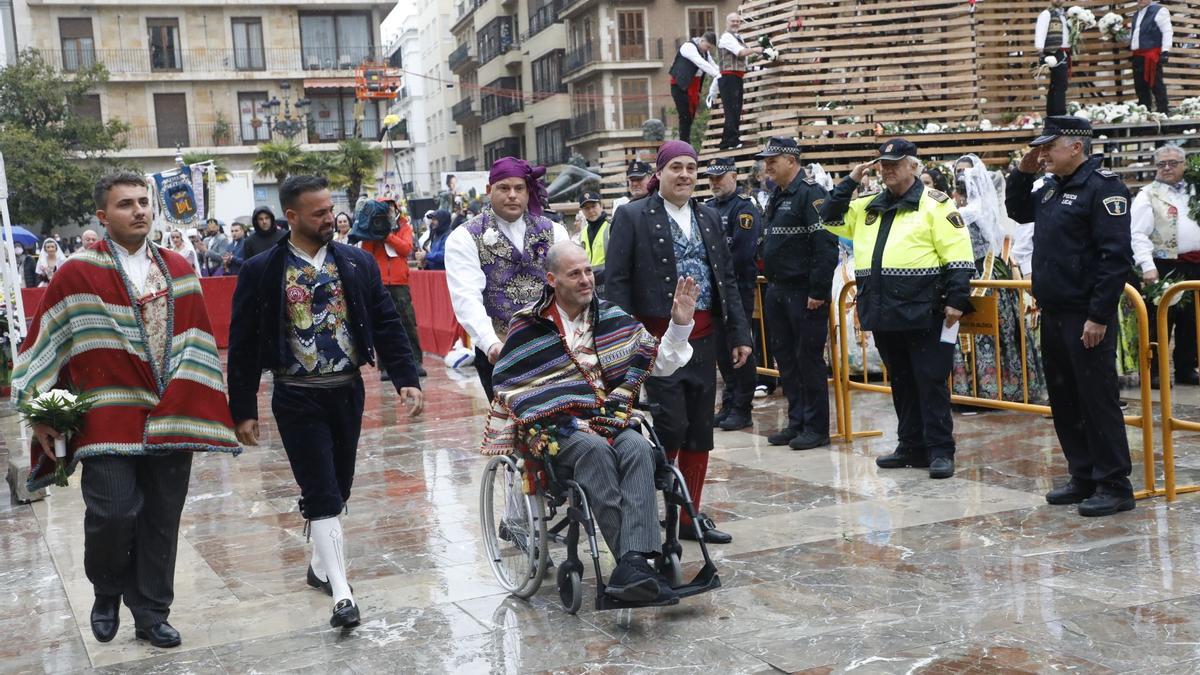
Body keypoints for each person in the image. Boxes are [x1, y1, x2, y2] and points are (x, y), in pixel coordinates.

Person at [12, 171, 239, 649]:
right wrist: (40, 406)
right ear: (102, 216)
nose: (139, 210)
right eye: (125, 204)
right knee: (113, 513)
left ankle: (152, 613)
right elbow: (45, 339)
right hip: (107, 418)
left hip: (173, 414)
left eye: (143, 202)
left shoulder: (179, 267)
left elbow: (198, 343)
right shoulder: (77, 271)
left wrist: (208, 404)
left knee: (162, 519)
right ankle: (107, 587)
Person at [228, 175, 424, 629]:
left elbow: (386, 320)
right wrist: (242, 408)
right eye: (317, 213)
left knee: (341, 486)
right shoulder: (262, 270)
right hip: (295, 397)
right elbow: (241, 342)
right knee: (321, 491)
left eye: (330, 209)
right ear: (291, 217)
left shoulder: (356, 263)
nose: (329, 219)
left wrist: (405, 377)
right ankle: (342, 593)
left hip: (347, 390)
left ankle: (319, 566)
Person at [484, 242, 699, 604]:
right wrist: (562, 418)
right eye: (575, 274)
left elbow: (656, 363)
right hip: (557, 430)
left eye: (588, 271)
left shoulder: (611, 316)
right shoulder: (529, 324)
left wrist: (680, 325)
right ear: (552, 280)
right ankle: (636, 565)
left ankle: (633, 563)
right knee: (595, 450)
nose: (586, 280)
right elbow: (511, 386)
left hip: (610, 419)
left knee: (637, 449)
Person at [606, 140, 753, 544]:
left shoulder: (707, 217)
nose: (685, 175)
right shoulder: (632, 215)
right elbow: (616, 283)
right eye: (676, 168)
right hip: (656, 341)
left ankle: (689, 517)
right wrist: (620, 342)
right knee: (672, 425)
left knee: (700, 430)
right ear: (660, 173)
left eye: (691, 167)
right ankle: (657, 503)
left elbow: (726, 279)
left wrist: (740, 333)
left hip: (704, 337)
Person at [821, 138, 975, 480]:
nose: (888, 170)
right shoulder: (867, 206)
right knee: (902, 382)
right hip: (885, 311)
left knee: (930, 381)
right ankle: (910, 445)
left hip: (926, 311)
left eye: (896, 164)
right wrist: (849, 182)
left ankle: (939, 450)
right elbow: (829, 218)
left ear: (913, 166)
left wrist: (956, 301)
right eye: (884, 164)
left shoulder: (936, 205)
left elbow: (960, 256)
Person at [1006, 115, 1135, 517]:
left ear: (1076, 147)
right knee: (1065, 398)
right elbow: (1017, 211)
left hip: (1086, 314)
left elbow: (1115, 259)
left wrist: (1098, 315)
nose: (1042, 154)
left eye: (1049, 147)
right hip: (1055, 310)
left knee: (1097, 399)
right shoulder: (1048, 190)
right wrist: (1022, 172)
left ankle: (1114, 483)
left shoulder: (1103, 188)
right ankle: (1083, 475)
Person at [445, 158, 570, 401]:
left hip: (554, 346)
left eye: (519, 188)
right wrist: (490, 343)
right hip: (500, 350)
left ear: (527, 191)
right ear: (489, 190)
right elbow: (466, 297)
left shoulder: (554, 231)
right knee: (513, 428)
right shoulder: (465, 237)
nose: (512, 195)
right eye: (504, 188)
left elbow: (569, 286)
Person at [756, 138, 837, 448]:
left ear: (791, 160)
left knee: (808, 361)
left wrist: (818, 290)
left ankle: (816, 427)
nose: (767, 166)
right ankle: (797, 420)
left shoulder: (811, 194)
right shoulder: (778, 195)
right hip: (777, 289)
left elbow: (825, 245)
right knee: (786, 360)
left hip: (804, 292)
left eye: (772, 160)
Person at [950, 155, 1047, 403]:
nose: (962, 180)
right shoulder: (960, 209)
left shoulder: (976, 210)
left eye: (966, 175)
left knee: (993, 331)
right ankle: (971, 390)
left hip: (985, 273)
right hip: (965, 275)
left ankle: (997, 388)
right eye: (958, 174)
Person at [703, 156, 763, 432]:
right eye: (711, 178)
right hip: (714, 291)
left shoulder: (744, 209)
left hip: (736, 288)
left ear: (734, 176)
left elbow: (741, 253)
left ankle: (742, 406)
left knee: (740, 347)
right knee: (722, 352)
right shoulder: (707, 208)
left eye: (720, 177)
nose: (715, 183)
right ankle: (729, 402)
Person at [1132, 144, 1198, 388]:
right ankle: (1155, 371)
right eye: (1162, 164)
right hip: (1164, 264)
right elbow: (1137, 234)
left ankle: (1186, 366)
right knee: (1160, 319)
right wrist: (1147, 266)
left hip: (1196, 264)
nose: (1167, 168)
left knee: (1192, 321)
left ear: (1184, 165)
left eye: (1173, 163)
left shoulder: (1195, 190)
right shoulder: (1147, 194)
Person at [360, 200, 425, 378]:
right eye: (385, 208)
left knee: (408, 323)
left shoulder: (404, 226)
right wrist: (373, 233)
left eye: (391, 208)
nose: (388, 211)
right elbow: (366, 254)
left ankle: (415, 362)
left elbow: (405, 249)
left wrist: (387, 235)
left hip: (400, 282)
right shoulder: (371, 227)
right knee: (382, 325)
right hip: (379, 283)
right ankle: (386, 366)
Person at [714, 13, 763, 150]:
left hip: (735, 76)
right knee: (732, 110)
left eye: (738, 21)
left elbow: (743, 61)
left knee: (735, 109)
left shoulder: (736, 37)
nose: (735, 23)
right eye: (733, 21)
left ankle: (726, 142)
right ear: (726, 22)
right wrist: (755, 49)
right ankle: (732, 141)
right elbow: (740, 53)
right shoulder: (726, 37)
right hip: (729, 77)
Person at [669, 32, 721, 143]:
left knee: (691, 115)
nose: (708, 50)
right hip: (680, 85)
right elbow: (700, 62)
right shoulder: (688, 47)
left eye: (710, 48)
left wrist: (723, 73)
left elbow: (712, 65)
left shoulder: (705, 53)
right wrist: (716, 75)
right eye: (707, 46)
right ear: (702, 40)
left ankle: (686, 140)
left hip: (694, 86)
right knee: (685, 115)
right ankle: (684, 142)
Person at [1130, 0, 1173, 114]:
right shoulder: (1135, 15)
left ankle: (1163, 113)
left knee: (1156, 85)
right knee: (1140, 86)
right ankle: (1145, 113)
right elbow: (1135, 36)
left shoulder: (1159, 11)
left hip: (1151, 56)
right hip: (1138, 56)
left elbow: (1167, 31)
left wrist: (1165, 51)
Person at [1035, 0, 1071, 117]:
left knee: (1057, 84)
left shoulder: (1063, 15)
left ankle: (1053, 114)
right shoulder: (1046, 14)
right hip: (1053, 51)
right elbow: (1040, 32)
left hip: (1063, 51)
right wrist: (1041, 54)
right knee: (1060, 84)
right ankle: (1059, 113)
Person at [578, 191, 611, 296]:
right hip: (589, 284)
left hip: (608, 283)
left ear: (601, 206)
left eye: (593, 206)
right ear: (582, 211)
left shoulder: (611, 227)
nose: (591, 211)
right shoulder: (583, 233)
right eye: (586, 208)